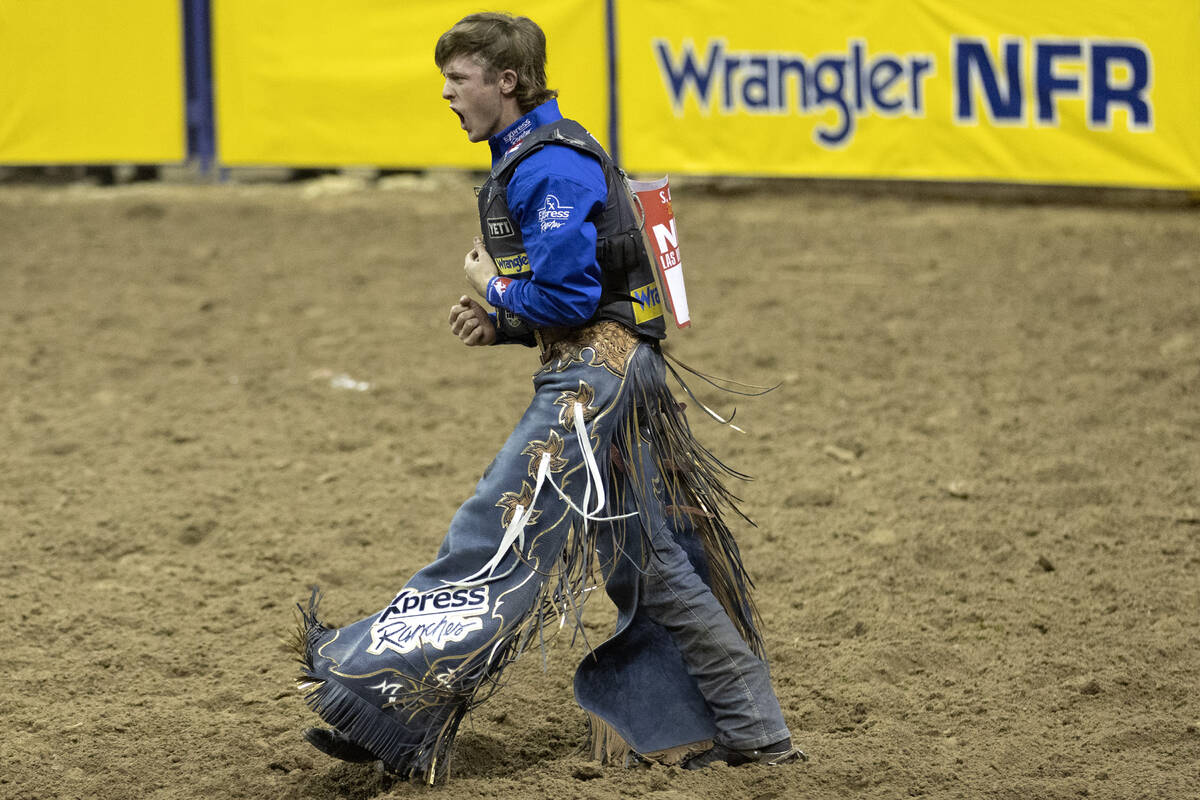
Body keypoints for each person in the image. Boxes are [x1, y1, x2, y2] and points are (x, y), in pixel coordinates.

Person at [294, 12, 801, 782]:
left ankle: (388, 706)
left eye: (458, 79)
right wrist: (502, 323)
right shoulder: (543, 156)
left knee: (492, 538)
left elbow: (568, 300)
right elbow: (578, 297)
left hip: (594, 382)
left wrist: (490, 285)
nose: (446, 94)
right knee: (652, 561)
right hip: (616, 371)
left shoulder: (549, 167)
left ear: (506, 82)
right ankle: (753, 732)